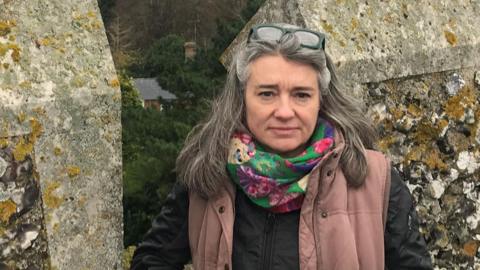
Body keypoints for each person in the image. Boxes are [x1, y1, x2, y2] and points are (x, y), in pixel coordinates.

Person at [130, 23, 432, 270]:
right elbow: (152, 260)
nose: (285, 111)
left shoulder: (374, 179)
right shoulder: (208, 174)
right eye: (267, 94)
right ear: (242, 99)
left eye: (301, 95)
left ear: (321, 101)